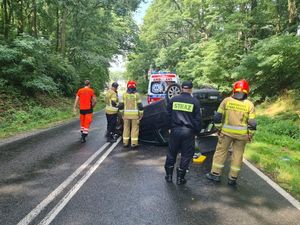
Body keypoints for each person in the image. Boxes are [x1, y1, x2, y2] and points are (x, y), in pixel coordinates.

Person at [206, 79, 256, 186]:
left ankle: (215, 174)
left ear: (234, 90)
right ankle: (233, 178)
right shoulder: (249, 105)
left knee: (220, 153)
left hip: (226, 134)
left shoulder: (226, 101)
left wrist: (219, 128)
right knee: (237, 155)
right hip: (242, 136)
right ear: (247, 91)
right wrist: (250, 135)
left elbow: (217, 117)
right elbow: (252, 123)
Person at [164, 80, 201, 185]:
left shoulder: (174, 99)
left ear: (181, 88)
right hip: (188, 132)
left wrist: (169, 127)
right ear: (191, 89)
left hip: (175, 130)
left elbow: (167, 115)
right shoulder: (195, 102)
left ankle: (169, 176)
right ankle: (180, 179)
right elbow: (198, 120)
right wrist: (197, 132)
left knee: (172, 153)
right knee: (186, 155)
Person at [118, 80, 143, 148]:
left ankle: (125, 143)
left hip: (126, 116)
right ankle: (134, 144)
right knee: (134, 129)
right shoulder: (136, 95)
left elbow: (121, 106)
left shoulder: (124, 95)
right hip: (135, 116)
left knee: (126, 128)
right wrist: (141, 114)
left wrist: (122, 114)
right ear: (135, 87)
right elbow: (140, 106)